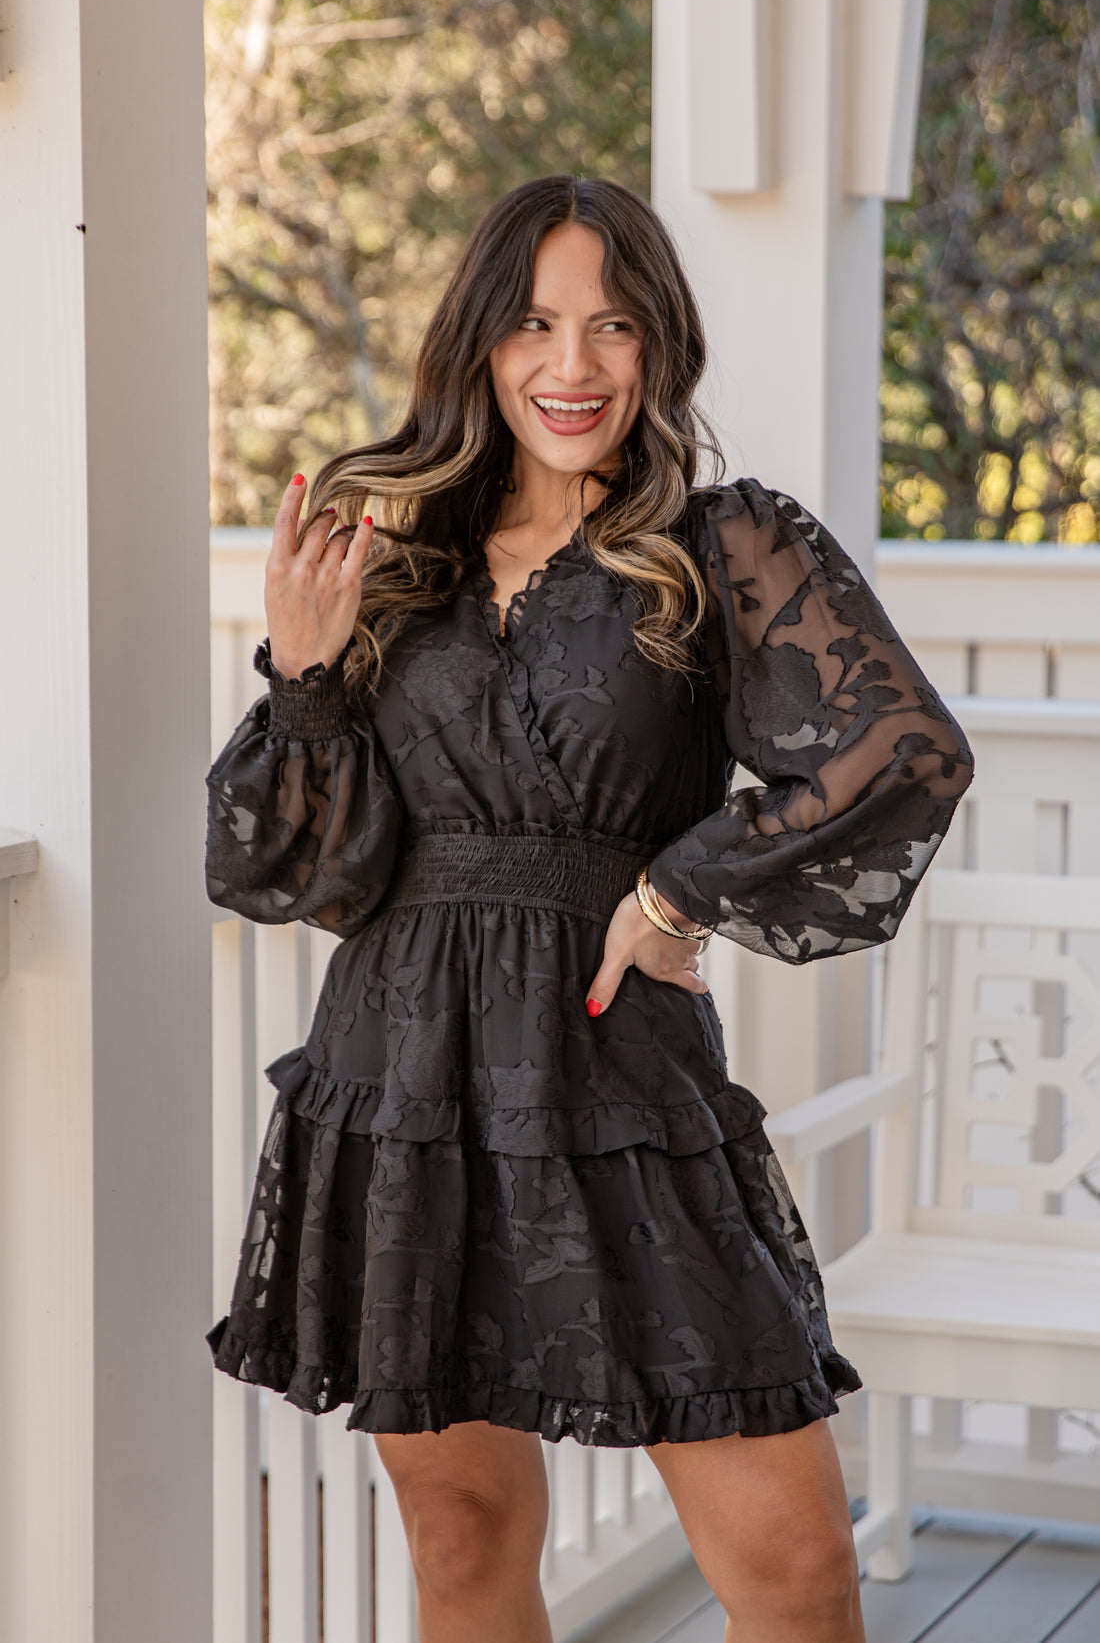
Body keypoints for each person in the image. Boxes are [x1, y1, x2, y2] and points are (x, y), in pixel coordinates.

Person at [204, 174, 973, 1643]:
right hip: (405, 1077)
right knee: (462, 1528)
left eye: (613, 325)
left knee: (796, 1565)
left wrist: (683, 886)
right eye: (538, 325)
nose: (574, 366)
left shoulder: (722, 540)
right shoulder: (393, 549)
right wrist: (302, 677)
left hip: (618, 1068)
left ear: (658, 344)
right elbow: (288, 872)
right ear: (480, 343)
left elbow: (903, 752)